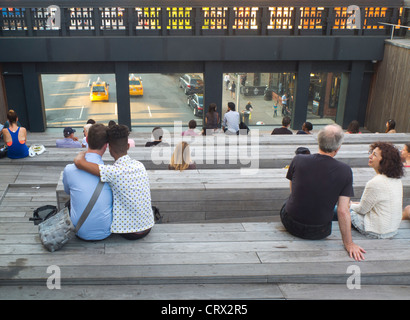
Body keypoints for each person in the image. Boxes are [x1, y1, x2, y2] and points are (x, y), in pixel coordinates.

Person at [280, 124, 366, 261]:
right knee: (342, 207)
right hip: (319, 231)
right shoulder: (345, 171)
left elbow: (293, 189)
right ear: (338, 149)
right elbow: (343, 211)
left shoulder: (298, 159)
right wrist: (349, 244)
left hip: (290, 222)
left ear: (318, 141)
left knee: (288, 200)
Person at [74, 124, 155, 240]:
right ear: (128, 146)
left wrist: (81, 153)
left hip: (130, 232)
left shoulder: (112, 171)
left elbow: (79, 163)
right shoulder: (140, 165)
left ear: (109, 148)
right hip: (147, 227)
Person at [63, 123, 113, 241]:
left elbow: (67, 191)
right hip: (107, 230)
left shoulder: (69, 170)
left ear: (87, 141)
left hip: (79, 231)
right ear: (106, 146)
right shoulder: (112, 172)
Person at [350, 142, 404, 239]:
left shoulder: (376, 182)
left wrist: (350, 205)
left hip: (377, 231)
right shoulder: (397, 180)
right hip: (392, 230)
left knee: (340, 210)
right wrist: (356, 204)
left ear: (385, 161)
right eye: (371, 153)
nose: (370, 156)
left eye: (374, 155)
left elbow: (362, 210)